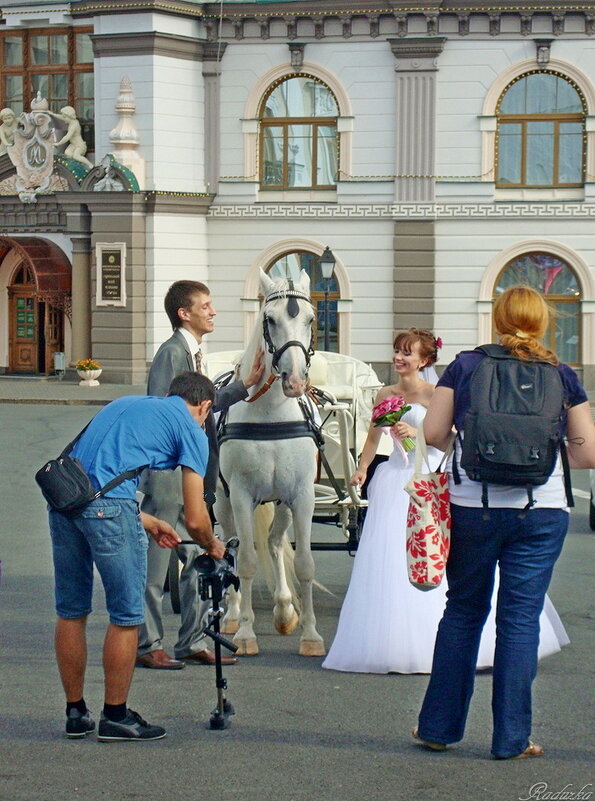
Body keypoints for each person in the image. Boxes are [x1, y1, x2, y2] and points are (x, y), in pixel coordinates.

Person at [322, 328, 570, 675]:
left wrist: (417, 434)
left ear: (424, 360)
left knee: (432, 550)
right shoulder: (385, 393)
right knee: (388, 556)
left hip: (426, 477)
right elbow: (373, 437)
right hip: (394, 478)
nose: (399, 358)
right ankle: (389, 637)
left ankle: (439, 640)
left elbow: (449, 441)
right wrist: (363, 468)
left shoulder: (434, 393)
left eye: (407, 353)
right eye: (397, 351)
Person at [414, 286, 595, 759]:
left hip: (473, 505)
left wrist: (471, 441)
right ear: (542, 323)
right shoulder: (562, 373)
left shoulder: (467, 366)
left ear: (496, 320)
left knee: (463, 611)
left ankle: (438, 728)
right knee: (520, 620)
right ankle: (511, 738)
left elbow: (433, 434)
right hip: (542, 509)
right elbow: (588, 452)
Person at [49, 372, 226, 742]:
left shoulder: (127, 403)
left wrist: (147, 521)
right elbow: (195, 518)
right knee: (127, 615)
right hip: (108, 510)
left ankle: (75, 713)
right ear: (205, 406)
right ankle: (115, 715)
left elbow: (94, 477)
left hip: (64, 503)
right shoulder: (192, 429)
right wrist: (212, 545)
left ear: (168, 394)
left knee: (71, 610)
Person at [136, 280, 264, 670]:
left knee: (194, 563)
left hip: (189, 477)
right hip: (170, 478)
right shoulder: (171, 354)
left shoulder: (191, 353)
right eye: (205, 305)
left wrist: (245, 386)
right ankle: (148, 645)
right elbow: (164, 416)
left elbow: (201, 406)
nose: (213, 311)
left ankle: (190, 641)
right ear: (184, 313)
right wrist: (171, 478)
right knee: (156, 570)